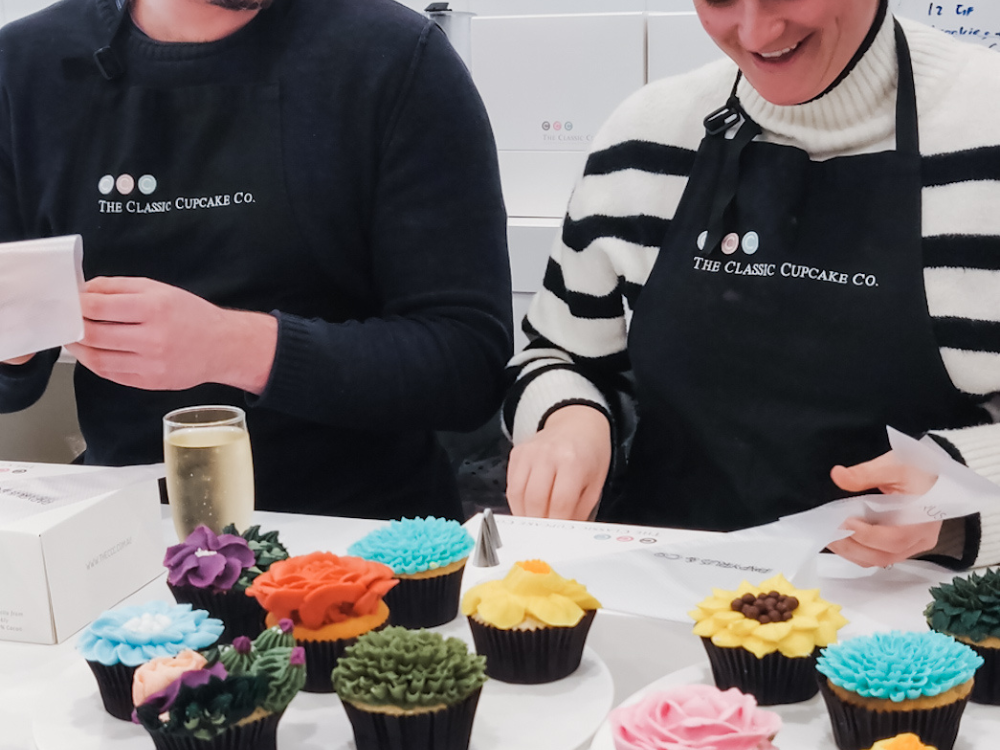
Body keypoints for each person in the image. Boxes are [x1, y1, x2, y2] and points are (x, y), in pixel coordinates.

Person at [503, 0, 1000, 568]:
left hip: (922, 630)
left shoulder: (985, 124)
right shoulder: (646, 136)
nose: (756, 31)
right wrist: (569, 419)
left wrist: (965, 493)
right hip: (666, 603)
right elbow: (554, 355)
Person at [0, 0, 513, 521]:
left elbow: (468, 365)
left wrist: (234, 348)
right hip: (125, 535)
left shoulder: (395, 56)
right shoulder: (23, 66)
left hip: (363, 541)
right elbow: (10, 379)